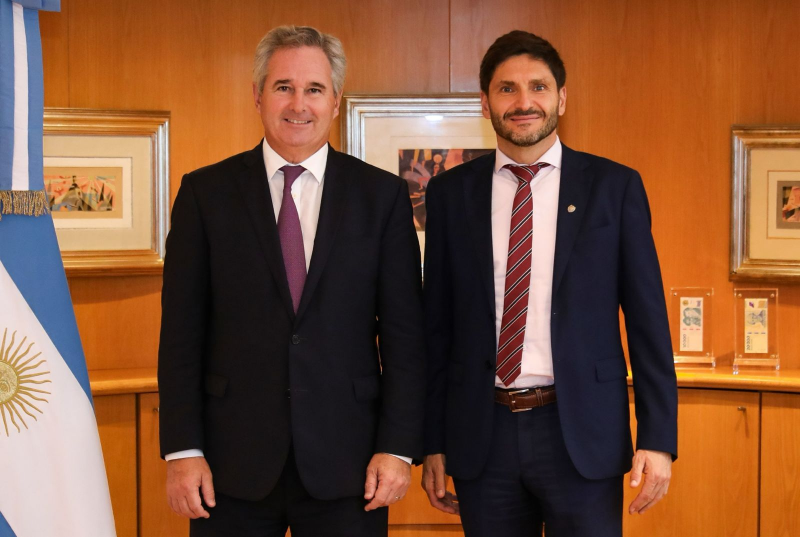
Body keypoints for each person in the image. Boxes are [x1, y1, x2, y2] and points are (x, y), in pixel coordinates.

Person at [158, 25, 425, 537]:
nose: (298, 104)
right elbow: (180, 337)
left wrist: (396, 448)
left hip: (350, 465)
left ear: (336, 101)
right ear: (258, 95)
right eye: (283, 87)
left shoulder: (383, 198)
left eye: (314, 89)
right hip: (228, 465)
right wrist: (183, 450)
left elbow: (405, 338)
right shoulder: (205, 194)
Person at [421, 30, 678, 537]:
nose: (524, 102)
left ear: (561, 97)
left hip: (581, 432)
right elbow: (437, 327)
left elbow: (648, 322)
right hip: (482, 436)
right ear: (486, 103)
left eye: (538, 87)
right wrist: (432, 441)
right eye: (507, 89)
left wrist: (658, 437)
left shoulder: (614, 187)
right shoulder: (450, 194)